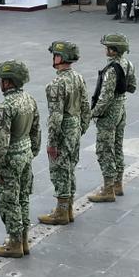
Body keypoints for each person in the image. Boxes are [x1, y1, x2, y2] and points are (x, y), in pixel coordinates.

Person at [0, 60, 41, 258]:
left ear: (8, 82)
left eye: (2, 79)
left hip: (11, 158)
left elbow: (1, 142)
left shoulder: (4, 107)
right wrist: (33, 151)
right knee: (23, 198)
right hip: (26, 152)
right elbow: (36, 129)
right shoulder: (29, 99)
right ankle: (23, 239)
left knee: (8, 202)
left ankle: (14, 243)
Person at [37, 41, 91, 226]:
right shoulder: (78, 77)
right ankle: (67, 209)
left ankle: (61, 211)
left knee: (59, 168)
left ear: (62, 57)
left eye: (56, 55)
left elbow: (56, 116)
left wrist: (52, 142)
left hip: (63, 128)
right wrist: (81, 127)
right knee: (69, 166)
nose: (54, 58)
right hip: (75, 125)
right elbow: (85, 106)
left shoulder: (56, 84)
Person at [89, 33, 136, 202]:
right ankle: (118, 184)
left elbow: (105, 97)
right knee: (117, 146)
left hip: (108, 113)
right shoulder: (128, 64)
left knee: (104, 150)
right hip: (121, 109)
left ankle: (108, 189)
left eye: (107, 47)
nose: (105, 49)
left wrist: (92, 113)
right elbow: (132, 87)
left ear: (113, 50)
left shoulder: (111, 70)